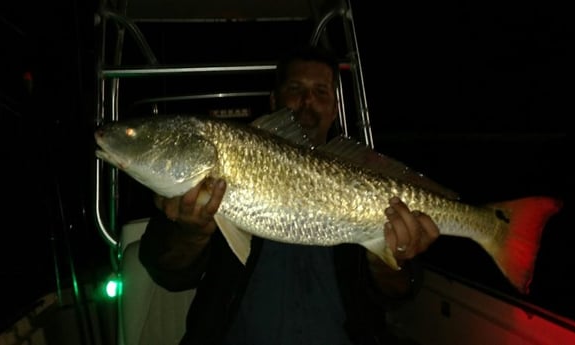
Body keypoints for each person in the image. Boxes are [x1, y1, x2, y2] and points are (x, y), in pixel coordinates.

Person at [138, 45, 441, 345]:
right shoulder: (228, 163)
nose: (308, 100)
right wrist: (190, 233)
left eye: (321, 91)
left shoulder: (366, 176)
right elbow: (167, 272)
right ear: (274, 101)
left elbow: (399, 292)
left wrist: (387, 259)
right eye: (295, 88)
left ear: (335, 108)